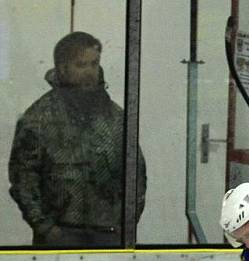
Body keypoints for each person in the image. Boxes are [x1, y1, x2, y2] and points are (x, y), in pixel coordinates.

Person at [8, 31, 146, 247]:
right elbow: (23, 179)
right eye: (81, 65)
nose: (90, 71)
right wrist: (46, 228)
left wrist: (125, 223)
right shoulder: (38, 118)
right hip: (60, 234)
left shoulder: (116, 118)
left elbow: (136, 175)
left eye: (94, 63)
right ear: (62, 68)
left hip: (108, 234)